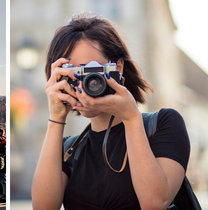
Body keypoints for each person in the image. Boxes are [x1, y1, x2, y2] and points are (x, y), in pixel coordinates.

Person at [31, 14, 190, 210]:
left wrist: (131, 118)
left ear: (118, 68)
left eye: (91, 71)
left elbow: (154, 203)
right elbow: (43, 208)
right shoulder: (69, 150)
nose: (84, 82)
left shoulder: (164, 124)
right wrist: (56, 117)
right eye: (72, 72)